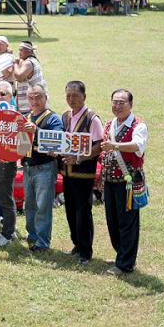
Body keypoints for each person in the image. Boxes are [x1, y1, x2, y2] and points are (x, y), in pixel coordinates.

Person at [99, 89, 148, 275]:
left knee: (127, 222)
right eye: (115, 102)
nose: (117, 106)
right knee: (112, 220)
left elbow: (137, 146)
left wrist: (115, 146)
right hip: (110, 180)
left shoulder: (138, 126)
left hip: (127, 182)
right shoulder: (110, 124)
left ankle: (125, 263)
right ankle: (122, 254)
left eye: (122, 102)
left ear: (131, 105)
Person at [59, 81, 103, 264]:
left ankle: (85, 251)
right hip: (67, 173)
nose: (71, 99)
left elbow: (99, 145)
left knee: (83, 211)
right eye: (68, 96)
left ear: (84, 96)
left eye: (75, 96)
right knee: (70, 209)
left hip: (83, 174)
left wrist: (78, 158)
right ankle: (77, 244)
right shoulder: (65, 116)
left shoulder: (92, 119)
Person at [20, 84, 64, 252]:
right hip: (27, 166)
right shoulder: (25, 117)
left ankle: (42, 242)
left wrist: (36, 130)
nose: (34, 101)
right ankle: (32, 236)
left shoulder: (53, 118)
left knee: (43, 206)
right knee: (29, 205)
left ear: (46, 97)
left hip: (45, 167)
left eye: (38, 97)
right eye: (31, 98)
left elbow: (58, 142)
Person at [0, 81, 20, 248]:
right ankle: (9, 230)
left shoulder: (14, 115)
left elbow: (21, 141)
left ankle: (8, 234)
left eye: (3, 94)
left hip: (6, 162)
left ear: (10, 96)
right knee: (2, 197)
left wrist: (10, 156)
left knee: (5, 198)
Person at [13, 40, 46, 115]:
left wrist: (15, 63)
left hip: (31, 105)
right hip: (32, 104)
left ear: (29, 51)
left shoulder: (29, 63)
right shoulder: (32, 61)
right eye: (19, 50)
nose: (19, 52)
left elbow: (19, 76)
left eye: (21, 50)